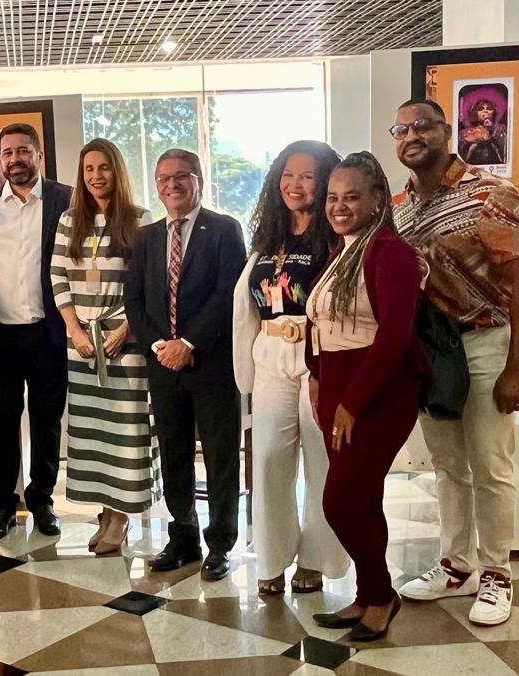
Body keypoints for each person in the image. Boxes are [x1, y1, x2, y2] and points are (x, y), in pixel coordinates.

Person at [391, 99, 519, 627]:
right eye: (401, 129)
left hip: (483, 344)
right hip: (431, 352)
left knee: (491, 465)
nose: (411, 135)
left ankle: (497, 573)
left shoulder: (491, 195)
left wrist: (518, 366)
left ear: (447, 131)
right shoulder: (399, 207)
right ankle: (457, 565)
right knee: (448, 465)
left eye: (422, 126)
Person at [305, 152, 427, 641]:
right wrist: (317, 376)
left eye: (351, 197)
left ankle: (381, 594)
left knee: (340, 502)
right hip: (336, 387)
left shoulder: (390, 252)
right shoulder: (343, 250)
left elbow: (395, 335)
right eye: (332, 197)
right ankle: (366, 594)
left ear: (378, 199)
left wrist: (351, 402)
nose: (339, 206)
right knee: (363, 500)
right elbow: (320, 321)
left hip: (378, 393)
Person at [232, 140, 349, 595]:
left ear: (326, 182)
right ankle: (272, 556)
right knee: (268, 458)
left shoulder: (336, 235)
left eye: (307, 176)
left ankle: (316, 559)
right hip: (270, 354)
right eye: (287, 174)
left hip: (319, 355)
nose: (295, 184)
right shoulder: (269, 235)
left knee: (321, 459)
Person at [125, 148, 246, 580]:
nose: (172, 184)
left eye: (181, 176)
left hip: (211, 363)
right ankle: (183, 538)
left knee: (219, 455)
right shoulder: (146, 237)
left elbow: (228, 294)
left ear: (199, 180)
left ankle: (221, 543)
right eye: (163, 178)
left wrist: (190, 343)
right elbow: (134, 300)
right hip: (163, 365)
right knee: (173, 452)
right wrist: (161, 345)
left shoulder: (224, 229)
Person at [49, 139, 158, 556]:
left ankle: (122, 515)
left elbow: (146, 282)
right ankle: (105, 512)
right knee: (94, 432)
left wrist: (126, 329)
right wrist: (75, 331)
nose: (96, 176)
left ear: (117, 171)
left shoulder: (139, 218)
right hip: (81, 344)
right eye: (89, 169)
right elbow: (58, 277)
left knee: (125, 430)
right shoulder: (69, 220)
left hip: (125, 342)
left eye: (104, 167)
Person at [0, 123, 72, 540]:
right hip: (2, 334)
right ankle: (3, 503)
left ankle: (42, 498)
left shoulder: (65, 199)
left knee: (47, 421)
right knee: (3, 419)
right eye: (7, 152)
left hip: (50, 332)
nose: (15, 159)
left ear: (39, 154)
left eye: (23, 150)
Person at [458, 98, 508, 166]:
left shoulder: (501, 129)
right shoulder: (466, 132)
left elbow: (505, 149)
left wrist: (491, 128)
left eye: (489, 108)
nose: (485, 111)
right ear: (475, 113)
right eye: (481, 109)